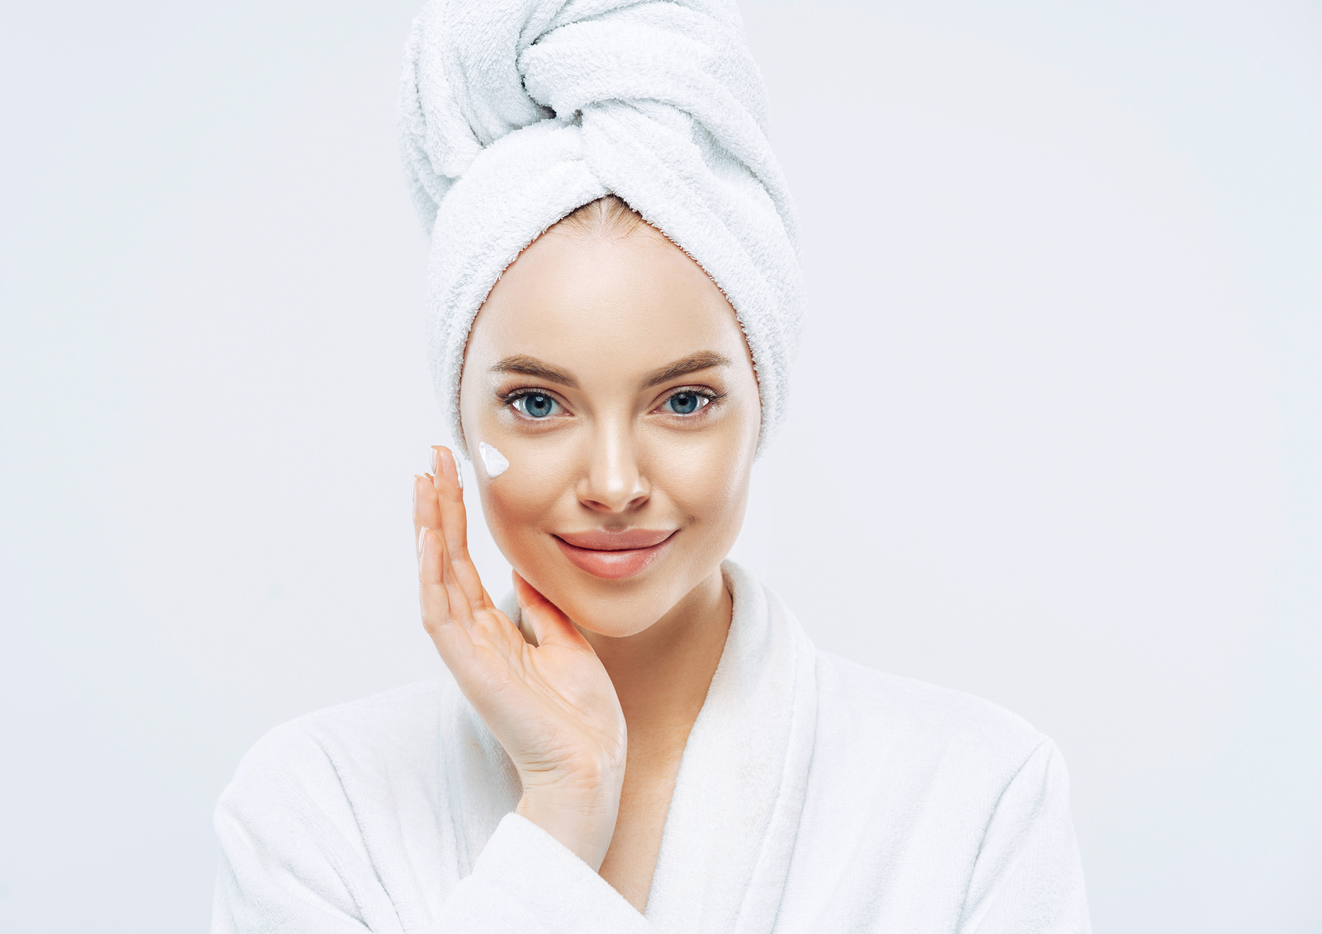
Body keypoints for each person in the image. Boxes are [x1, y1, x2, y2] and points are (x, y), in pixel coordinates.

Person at [211, 0, 1091, 931]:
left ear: (761, 407)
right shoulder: (316, 809)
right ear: (462, 420)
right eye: (539, 404)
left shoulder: (976, 800)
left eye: (682, 401)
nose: (616, 482)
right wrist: (560, 807)